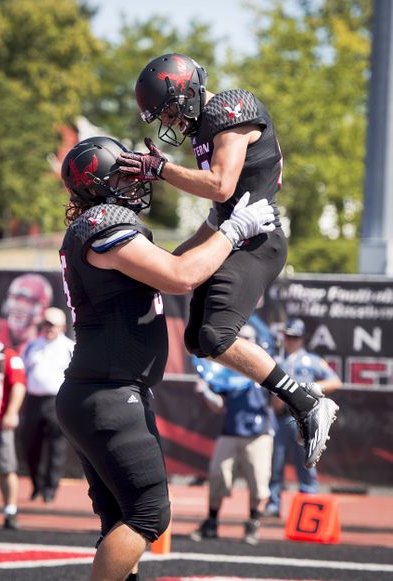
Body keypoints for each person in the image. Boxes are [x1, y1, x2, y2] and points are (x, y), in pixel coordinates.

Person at [56, 135, 278, 581]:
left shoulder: (99, 227)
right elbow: (180, 277)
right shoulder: (103, 224)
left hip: (103, 390)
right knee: (148, 518)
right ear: (98, 184)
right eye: (122, 173)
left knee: (123, 519)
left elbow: (171, 263)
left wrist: (217, 222)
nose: (135, 179)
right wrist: (234, 231)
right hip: (109, 392)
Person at [117, 52, 339, 471]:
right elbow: (218, 216)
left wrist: (162, 170)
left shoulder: (231, 108)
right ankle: (301, 398)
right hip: (234, 233)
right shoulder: (207, 125)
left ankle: (306, 401)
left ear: (188, 90)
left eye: (170, 110)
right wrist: (167, 262)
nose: (172, 122)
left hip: (258, 240)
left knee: (217, 336)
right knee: (199, 341)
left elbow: (221, 187)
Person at [190, 324, 276, 545]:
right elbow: (219, 406)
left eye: (246, 338)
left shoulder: (265, 367)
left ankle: (253, 525)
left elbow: (276, 403)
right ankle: (211, 522)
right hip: (230, 431)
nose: (241, 342)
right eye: (239, 338)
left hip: (258, 433)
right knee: (218, 477)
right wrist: (207, 391)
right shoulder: (227, 372)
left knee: (258, 483)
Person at [265, 318, 342, 518]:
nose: (291, 341)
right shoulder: (275, 360)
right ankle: (273, 502)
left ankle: (309, 500)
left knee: (306, 460)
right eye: (288, 336)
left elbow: (335, 381)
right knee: (276, 462)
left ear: (302, 339)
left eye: (295, 337)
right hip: (280, 418)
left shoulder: (312, 360)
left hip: (303, 419)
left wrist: (308, 391)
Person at [21, 307, 74, 503]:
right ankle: (37, 484)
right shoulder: (31, 346)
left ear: (62, 327)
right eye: (46, 324)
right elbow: (22, 373)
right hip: (34, 401)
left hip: (57, 402)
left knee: (57, 447)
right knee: (30, 445)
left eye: (53, 325)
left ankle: (50, 489)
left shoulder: (70, 347)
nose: (49, 328)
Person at [0, 314, 26, 530]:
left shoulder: (8, 356)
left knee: (6, 468)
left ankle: (10, 511)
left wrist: (12, 412)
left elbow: (19, 385)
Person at [0, 273, 53, 354]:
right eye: (16, 298)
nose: (20, 306)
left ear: (43, 309)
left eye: (29, 301)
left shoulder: (46, 343)